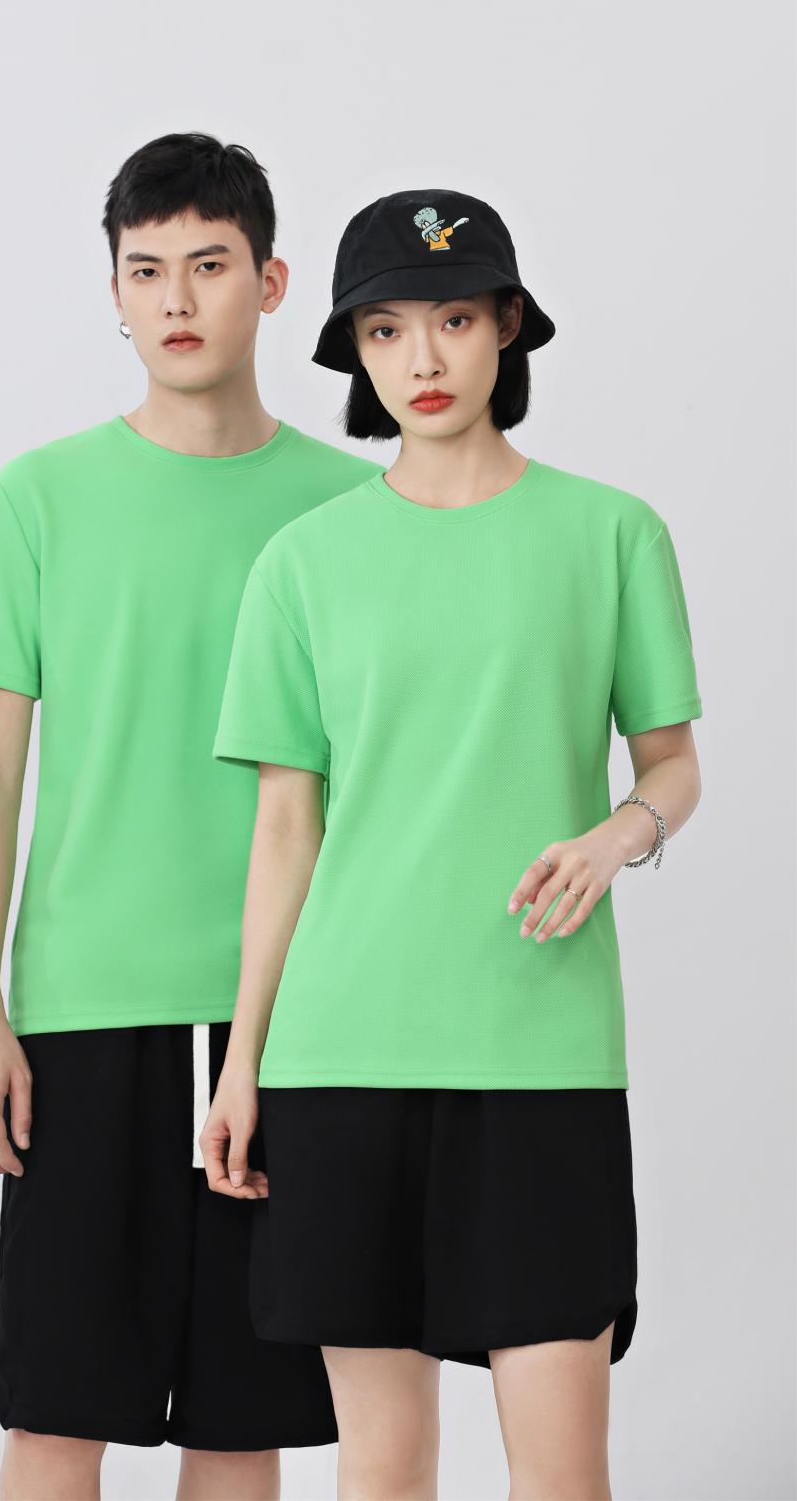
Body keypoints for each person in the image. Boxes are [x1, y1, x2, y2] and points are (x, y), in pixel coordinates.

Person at [203, 188, 703, 1500]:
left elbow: (673, 764)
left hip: (541, 1054)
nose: (421, 359)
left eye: (455, 320)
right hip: (340, 1056)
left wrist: (616, 837)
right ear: (355, 353)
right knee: (383, 1465)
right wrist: (242, 1063)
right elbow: (285, 830)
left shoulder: (613, 534)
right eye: (385, 331)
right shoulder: (303, 564)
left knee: (562, 1471)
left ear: (508, 328)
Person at [0, 132, 380, 1501]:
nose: (177, 299)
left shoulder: (354, 508)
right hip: (83, 1007)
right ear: (114, 293)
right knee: (59, 1411)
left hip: (289, 1013)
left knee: (246, 1421)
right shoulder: (38, 499)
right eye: (146, 270)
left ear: (272, 283)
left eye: (210, 266)